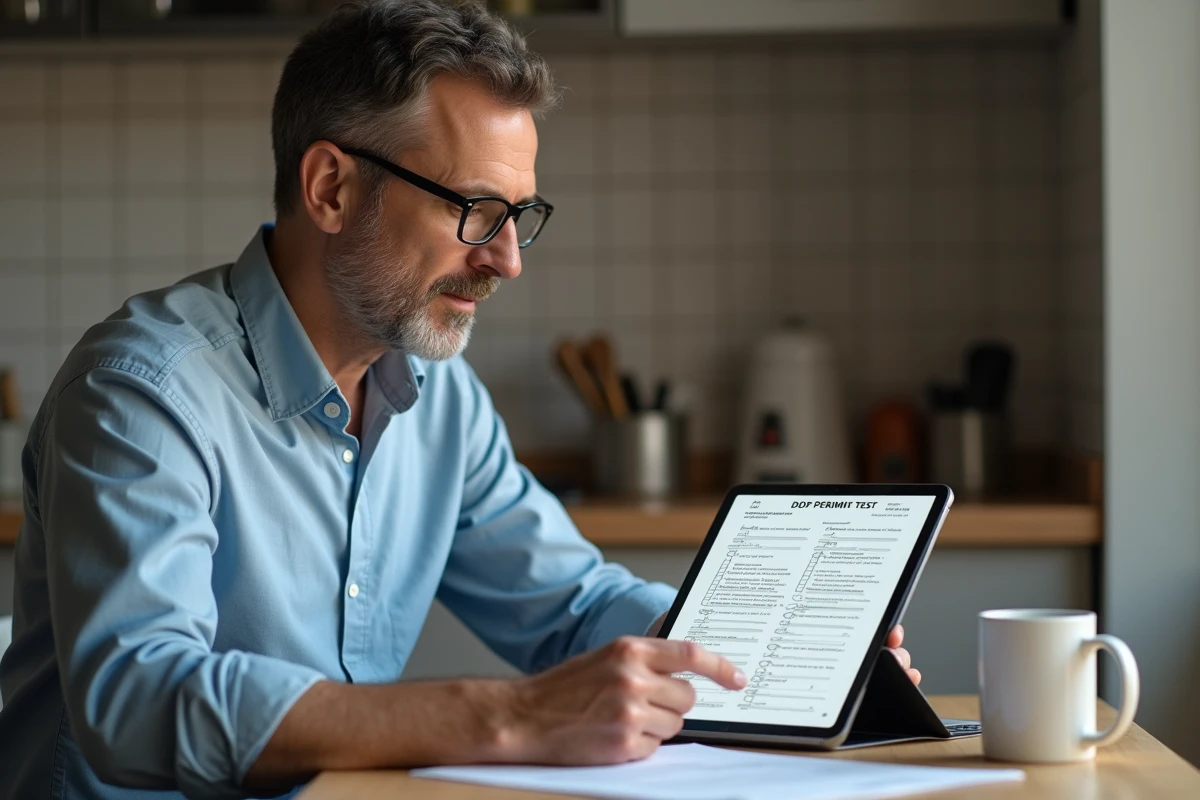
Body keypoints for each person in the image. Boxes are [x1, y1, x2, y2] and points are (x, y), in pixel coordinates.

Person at [0, 1, 919, 797]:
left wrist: (766, 658)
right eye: (473, 210)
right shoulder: (140, 394)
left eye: (520, 217)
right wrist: (510, 714)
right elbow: (138, 700)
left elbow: (570, 603)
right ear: (330, 187)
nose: (507, 259)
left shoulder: (439, 397)